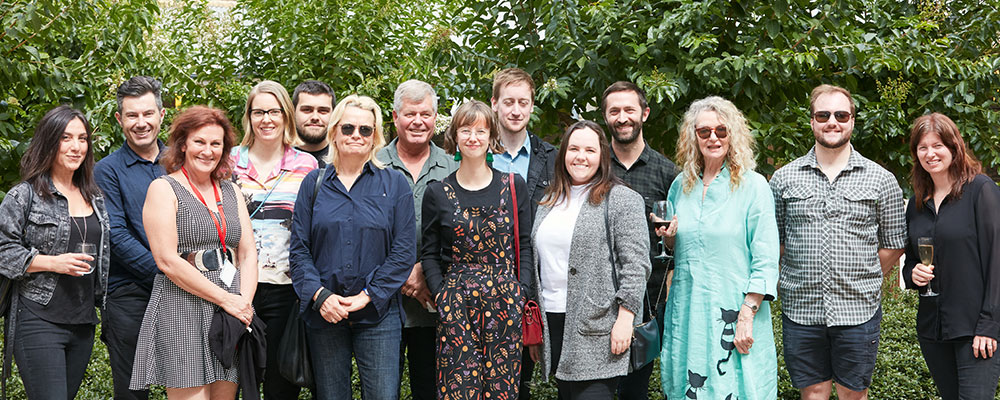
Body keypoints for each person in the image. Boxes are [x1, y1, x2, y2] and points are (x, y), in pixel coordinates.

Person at [770, 84, 906, 400]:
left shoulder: (881, 179)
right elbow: (774, 240)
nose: (833, 121)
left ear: (852, 120)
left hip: (858, 310)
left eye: (841, 114)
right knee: (813, 393)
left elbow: (894, 242)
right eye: (824, 114)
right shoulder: (784, 178)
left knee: (853, 395)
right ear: (812, 121)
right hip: (801, 310)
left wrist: (863, 275)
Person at [288, 95, 416, 399]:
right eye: (348, 128)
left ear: (375, 137)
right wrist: (321, 297)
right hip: (326, 315)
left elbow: (403, 252)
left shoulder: (395, 184)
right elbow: (299, 249)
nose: (356, 135)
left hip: (379, 316)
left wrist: (367, 296)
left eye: (365, 130)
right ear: (334, 132)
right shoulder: (313, 183)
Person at [130, 106, 259, 399]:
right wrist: (228, 300)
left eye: (216, 144)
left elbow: (248, 253)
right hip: (182, 307)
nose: (208, 151)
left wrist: (243, 305)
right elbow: (167, 260)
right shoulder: (163, 189)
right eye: (200, 142)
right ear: (183, 143)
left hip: (229, 310)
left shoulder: (231, 191)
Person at [657, 96, 779, 399]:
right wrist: (669, 237)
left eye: (721, 131)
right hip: (689, 311)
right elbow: (679, 250)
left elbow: (766, 258)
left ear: (733, 135)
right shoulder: (680, 186)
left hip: (735, 312)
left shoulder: (753, 186)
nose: (713, 138)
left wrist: (746, 315)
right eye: (704, 132)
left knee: (736, 385)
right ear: (693, 137)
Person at [421, 100, 533, 399]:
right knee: (458, 389)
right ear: (455, 136)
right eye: (466, 130)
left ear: (490, 136)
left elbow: (525, 243)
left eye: (481, 130)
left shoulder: (512, 185)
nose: (473, 137)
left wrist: (520, 291)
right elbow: (430, 253)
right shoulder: (437, 192)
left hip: (505, 303)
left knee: (502, 390)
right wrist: (441, 295)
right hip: (456, 304)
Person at [530, 120, 650, 399]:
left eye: (589, 150)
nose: (580, 157)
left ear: (602, 157)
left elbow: (636, 266)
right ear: (563, 154)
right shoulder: (550, 199)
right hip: (554, 322)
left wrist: (625, 319)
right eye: (573, 149)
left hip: (599, 326)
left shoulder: (621, 199)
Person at [0, 105, 109, 399]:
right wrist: (52, 263)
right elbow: (2, 250)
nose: (76, 147)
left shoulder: (95, 197)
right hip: (38, 317)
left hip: (83, 320)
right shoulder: (25, 195)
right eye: (66, 138)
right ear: (50, 141)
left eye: (82, 138)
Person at [901, 113, 1000, 399]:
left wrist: (990, 326)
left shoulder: (981, 190)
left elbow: (996, 262)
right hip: (933, 330)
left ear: (954, 148)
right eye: (922, 147)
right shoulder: (917, 204)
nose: (930, 154)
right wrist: (913, 274)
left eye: (938, 146)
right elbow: (909, 264)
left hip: (975, 331)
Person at [230, 80, 318, 399]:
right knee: (232, 379)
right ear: (249, 117)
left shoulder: (306, 165)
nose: (266, 119)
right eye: (258, 112)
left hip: (285, 288)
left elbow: (309, 231)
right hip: (233, 287)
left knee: (281, 386)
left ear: (286, 116)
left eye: (274, 111)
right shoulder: (228, 162)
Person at [375, 79, 458, 400]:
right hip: (382, 305)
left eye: (426, 114)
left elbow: (459, 236)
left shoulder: (452, 167)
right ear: (395, 117)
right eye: (410, 114)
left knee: (431, 391)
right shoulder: (374, 165)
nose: (418, 122)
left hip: (433, 303)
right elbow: (363, 233)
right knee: (382, 392)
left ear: (435, 118)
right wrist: (402, 275)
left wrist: (425, 270)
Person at [601, 81, 679, 399]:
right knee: (597, 387)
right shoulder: (595, 166)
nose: (623, 117)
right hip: (597, 298)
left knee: (635, 389)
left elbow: (678, 247)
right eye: (614, 111)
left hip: (649, 300)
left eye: (629, 110)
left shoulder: (668, 173)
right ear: (606, 116)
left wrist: (673, 237)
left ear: (644, 113)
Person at [94, 76, 166, 400]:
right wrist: (169, 272)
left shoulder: (182, 164)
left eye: (148, 114)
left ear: (161, 115)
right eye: (132, 115)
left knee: (192, 379)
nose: (141, 123)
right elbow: (116, 235)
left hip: (188, 287)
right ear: (119, 119)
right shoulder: (106, 170)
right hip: (129, 292)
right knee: (133, 389)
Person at [488, 67, 557, 399]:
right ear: (495, 104)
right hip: (483, 279)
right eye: (508, 102)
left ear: (531, 107)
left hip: (533, 284)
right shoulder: (477, 153)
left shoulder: (552, 159)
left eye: (523, 103)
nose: (516, 110)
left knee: (521, 383)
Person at [292, 80, 337, 167]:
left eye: (323, 111)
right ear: (293, 112)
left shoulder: (343, 160)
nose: (315, 117)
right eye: (307, 110)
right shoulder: (277, 159)